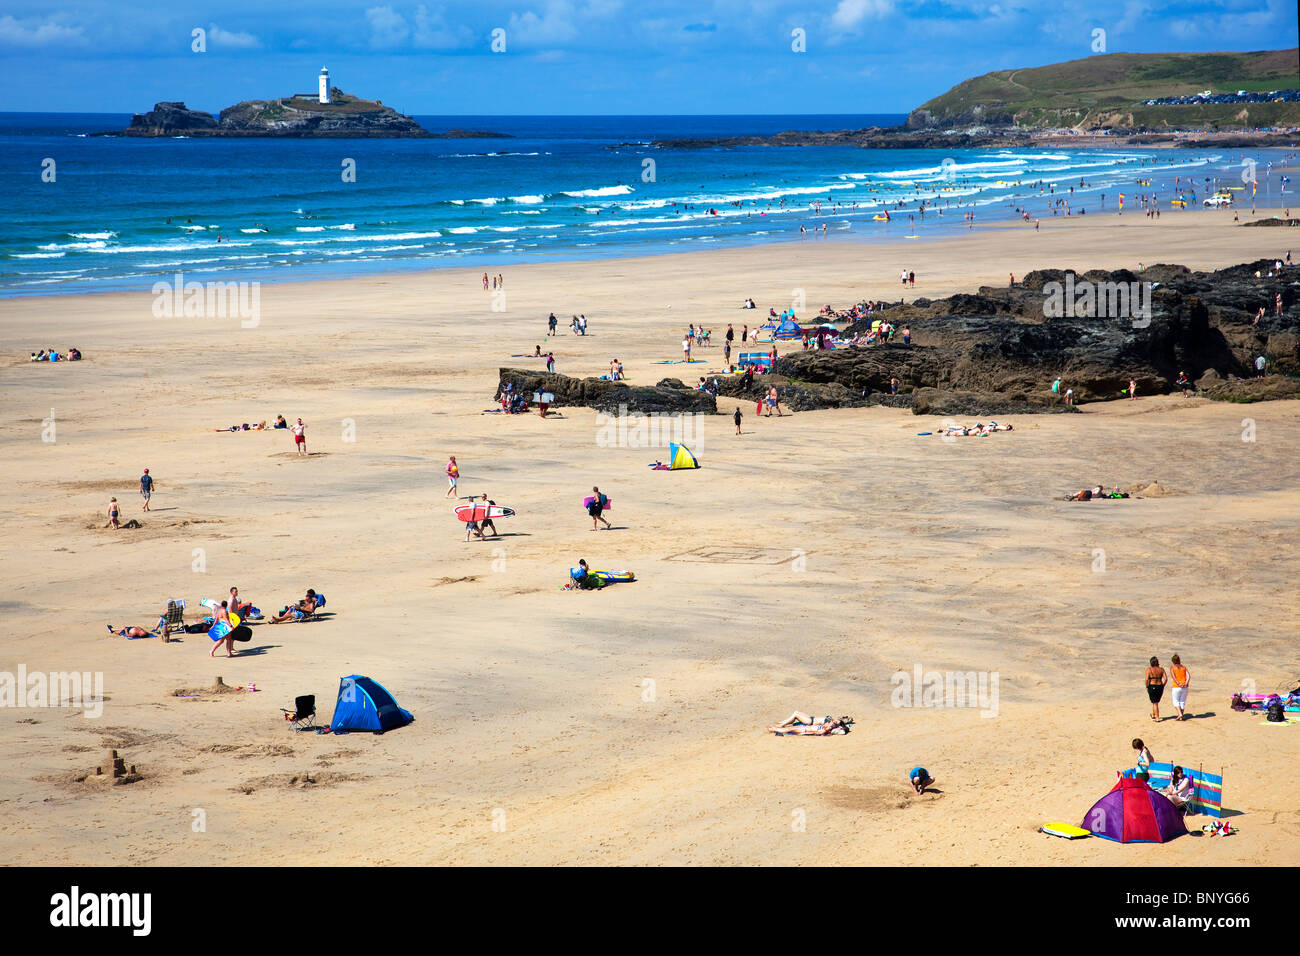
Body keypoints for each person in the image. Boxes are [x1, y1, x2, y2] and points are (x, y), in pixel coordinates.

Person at [1145, 657, 1167, 721]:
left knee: (1155, 703)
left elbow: (1146, 679)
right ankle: (1153, 714)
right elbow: (1166, 679)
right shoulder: (1161, 669)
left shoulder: (1149, 669)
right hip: (1160, 686)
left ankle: (1157, 717)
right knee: (1155, 702)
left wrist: (1147, 686)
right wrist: (1163, 685)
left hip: (1152, 685)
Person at [1169, 654, 1190, 720]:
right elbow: (1188, 676)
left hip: (1176, 686)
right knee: (1182, 701)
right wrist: (1186, 683)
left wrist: (1178, 683)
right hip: (1185, 686)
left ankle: (1180, 714)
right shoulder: (1183, 667)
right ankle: (1181, 715)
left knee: (1175, 701)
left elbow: (1173, 676)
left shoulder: (1172, 667)